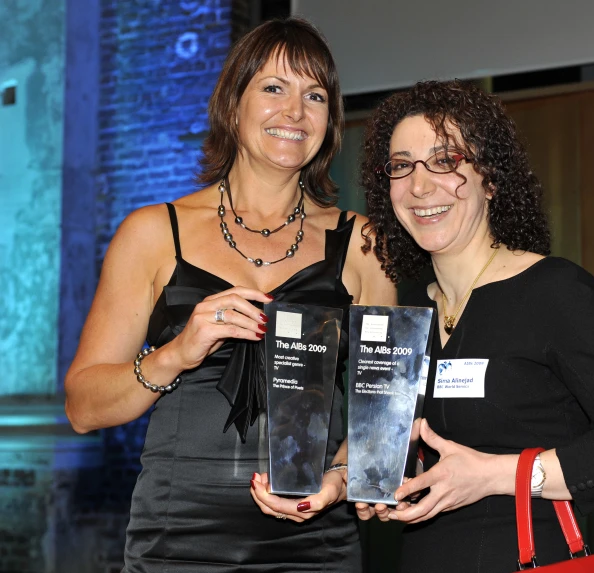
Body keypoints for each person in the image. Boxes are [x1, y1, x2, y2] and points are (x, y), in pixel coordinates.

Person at [64, 18, 395, 573]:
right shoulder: (151, 233)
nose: (294, 111)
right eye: (273, 88)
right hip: (176, 540)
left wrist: (337, 484)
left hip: (314, 544)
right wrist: (177, 352)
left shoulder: (364, 244)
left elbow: (383, 419)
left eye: (314, 95)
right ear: (231, 103)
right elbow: (82, 408)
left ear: (329, 121)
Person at [355, 79, 594, 572]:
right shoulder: (405, 311)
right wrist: (368, 479)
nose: (419, 186)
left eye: (446, 161)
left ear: (490, 179)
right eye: (402, 166)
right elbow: (401, 447)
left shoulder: (555, 291)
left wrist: (495, 474)